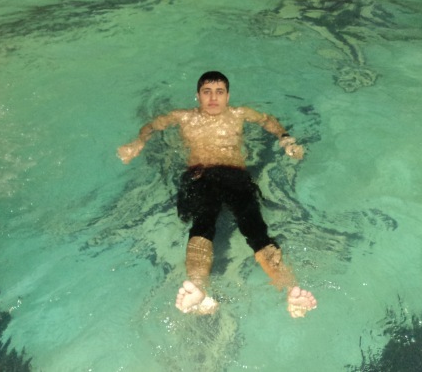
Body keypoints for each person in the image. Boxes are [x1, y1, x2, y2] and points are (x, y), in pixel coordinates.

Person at [117, 71, 317, 318]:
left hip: (235, 176)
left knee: (256, 230)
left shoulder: (240, 114)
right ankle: (198, 289)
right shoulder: (183, 116)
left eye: (219, 92)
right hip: (200, 175)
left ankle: (290, 289)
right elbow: (152, 126)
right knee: (202, 224)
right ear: (198, 96)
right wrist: (138, 142)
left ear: (227, 96)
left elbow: (267, 121)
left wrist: (286, 139)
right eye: (207, 92)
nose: (213, 98)